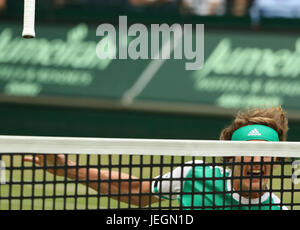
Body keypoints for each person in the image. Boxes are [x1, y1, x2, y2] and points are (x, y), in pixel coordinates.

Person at [25, 106, 289, 210]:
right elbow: (137, 191)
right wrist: (67, 168)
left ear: (277, 160)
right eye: (246, 153)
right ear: (229, 158)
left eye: (267, 153)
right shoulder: (195, 176)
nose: (257, 160)